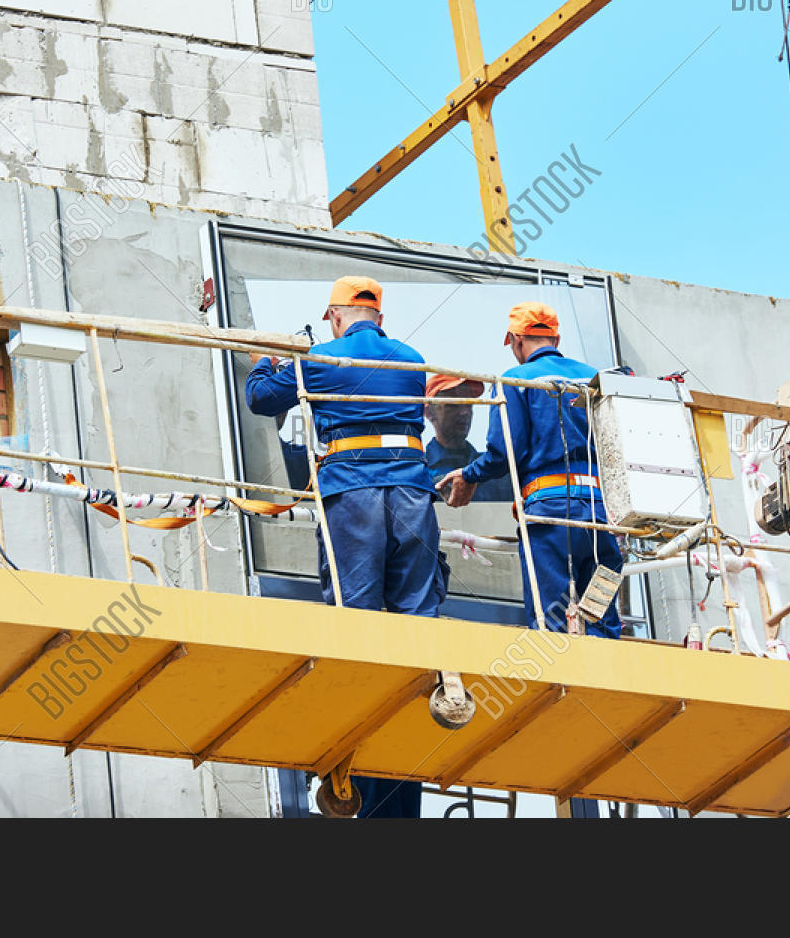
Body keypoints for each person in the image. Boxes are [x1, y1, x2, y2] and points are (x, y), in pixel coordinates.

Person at [245, 276, 443, 818]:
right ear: (379, 315)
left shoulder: (323, 356)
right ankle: (402, 780)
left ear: (335, 316)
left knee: (355, 626)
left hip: (352, 490)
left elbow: (262, 400)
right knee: (415, 630)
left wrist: (272, 360)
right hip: (410, 492)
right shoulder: (412, 358)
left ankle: (347, 753)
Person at [438, 301, 624, 640]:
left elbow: (504, 451)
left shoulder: (514, 380)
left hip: (549, 512)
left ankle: (559, 683)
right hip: (600, 512)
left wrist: (468, 475)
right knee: (600, 611)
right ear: (556, 337)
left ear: (514, 339)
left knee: (548, 616)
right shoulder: (594, 379)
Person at [423, 374, 513, 502]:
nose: (465, 412)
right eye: (454, 404)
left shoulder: (497, 470)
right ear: (429, 413)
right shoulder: (420, 471)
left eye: (469, 405)